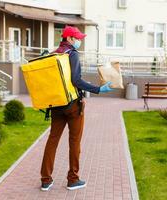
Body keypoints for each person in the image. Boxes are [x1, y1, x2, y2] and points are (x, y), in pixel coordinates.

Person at [40, 25, 113, 191]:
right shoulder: (72, 54)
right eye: (77, 38)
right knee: (75, 142)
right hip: (73, 106)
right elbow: (76, 80)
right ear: (69, 39)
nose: (79, 41)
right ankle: (73, 179)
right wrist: (98, 89)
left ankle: (45, 180)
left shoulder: (53, 54)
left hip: (56, 105)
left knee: (52, 140)